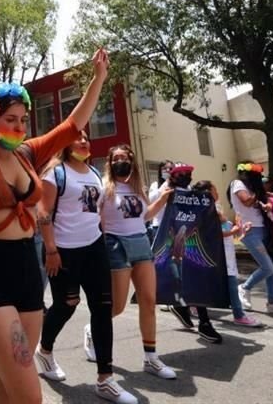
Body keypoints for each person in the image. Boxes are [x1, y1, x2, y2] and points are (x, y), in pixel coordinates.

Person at [0, 49, 118, 404]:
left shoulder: (27, 153)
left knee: (9, 382)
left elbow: (72, 126)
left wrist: (98, 79)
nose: (19, 127)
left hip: (27, 270)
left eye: (23, 119)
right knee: (29, 393)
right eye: (10, 119)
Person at [31, 133, 137, 402]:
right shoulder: (55, 173)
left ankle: (105, 378)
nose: (84, 141)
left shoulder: (92, 172)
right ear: (65, 144)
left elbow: (97, 210)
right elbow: (43, 212)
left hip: (93, 249)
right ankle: (44, 350)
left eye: (87, 138)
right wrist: (52, 250)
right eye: (77, 138)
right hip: (63, 251)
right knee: (67, 304)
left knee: (102, 307)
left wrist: (102, 236)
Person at [95, 144, 178, 379]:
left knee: (149, 301)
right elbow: (96, 221)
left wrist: (162, 199)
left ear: (132, 161)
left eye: (125, 156)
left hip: (141, 243)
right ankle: (94, 328)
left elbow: (145, 216)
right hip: (115, 245)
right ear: (110, 163)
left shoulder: (136, 187)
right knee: (118, 306)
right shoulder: (104, 187)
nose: (121, 160)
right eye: (116, 157)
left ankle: (151, 358)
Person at [162, 171, 225, 343]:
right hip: (184, 244)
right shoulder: (170, 193)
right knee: (198, 282)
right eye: (183, 174)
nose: (188, 176)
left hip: (200, 244)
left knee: (195, 282)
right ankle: (203, 323)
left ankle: (182, 308)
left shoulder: (196, 198)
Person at [231, 163, 273, 315]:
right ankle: (244, 287)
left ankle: (272, 303)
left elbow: (264, 202)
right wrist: (259, 191)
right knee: (268, 267)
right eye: (257, 177)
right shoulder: (238, 184)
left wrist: (266, 205)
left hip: (264, 229)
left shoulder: (254, 187)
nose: (260, 180)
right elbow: (246, 201)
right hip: (249, 230)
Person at [216, 194, 261, 328]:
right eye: (213, 191)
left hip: (228, 257)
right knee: (231, 286)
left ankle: (194, 306)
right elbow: (215, 233)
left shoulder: (222, 217)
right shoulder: (210, 213)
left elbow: (232, 232)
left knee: (226, 285)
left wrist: (241, 229)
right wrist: (233, 231)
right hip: (220, 257)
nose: (217, 194)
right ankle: (239, 315)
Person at [147, 160, 174, 243]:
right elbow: (151, 200)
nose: (168, 170)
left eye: (170, 168)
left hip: (175, 225)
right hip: (159, 225)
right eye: (165, 168)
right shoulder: (155, 185)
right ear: (160, 171)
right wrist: (166, 184)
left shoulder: (180, 185)